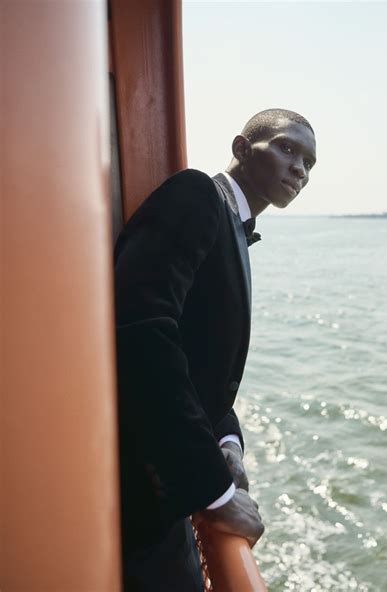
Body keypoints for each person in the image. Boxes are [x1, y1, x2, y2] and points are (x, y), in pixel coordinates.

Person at [114, 108, 317, 590]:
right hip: (142, 487)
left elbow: (204, 368)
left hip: (168, 488)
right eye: (288, 148)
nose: (300, 169)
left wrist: (228, 446)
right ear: (242, 148)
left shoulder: (232, 226)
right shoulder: (196, 194)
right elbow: (142, 331)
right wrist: (216, 492)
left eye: (309, 162)